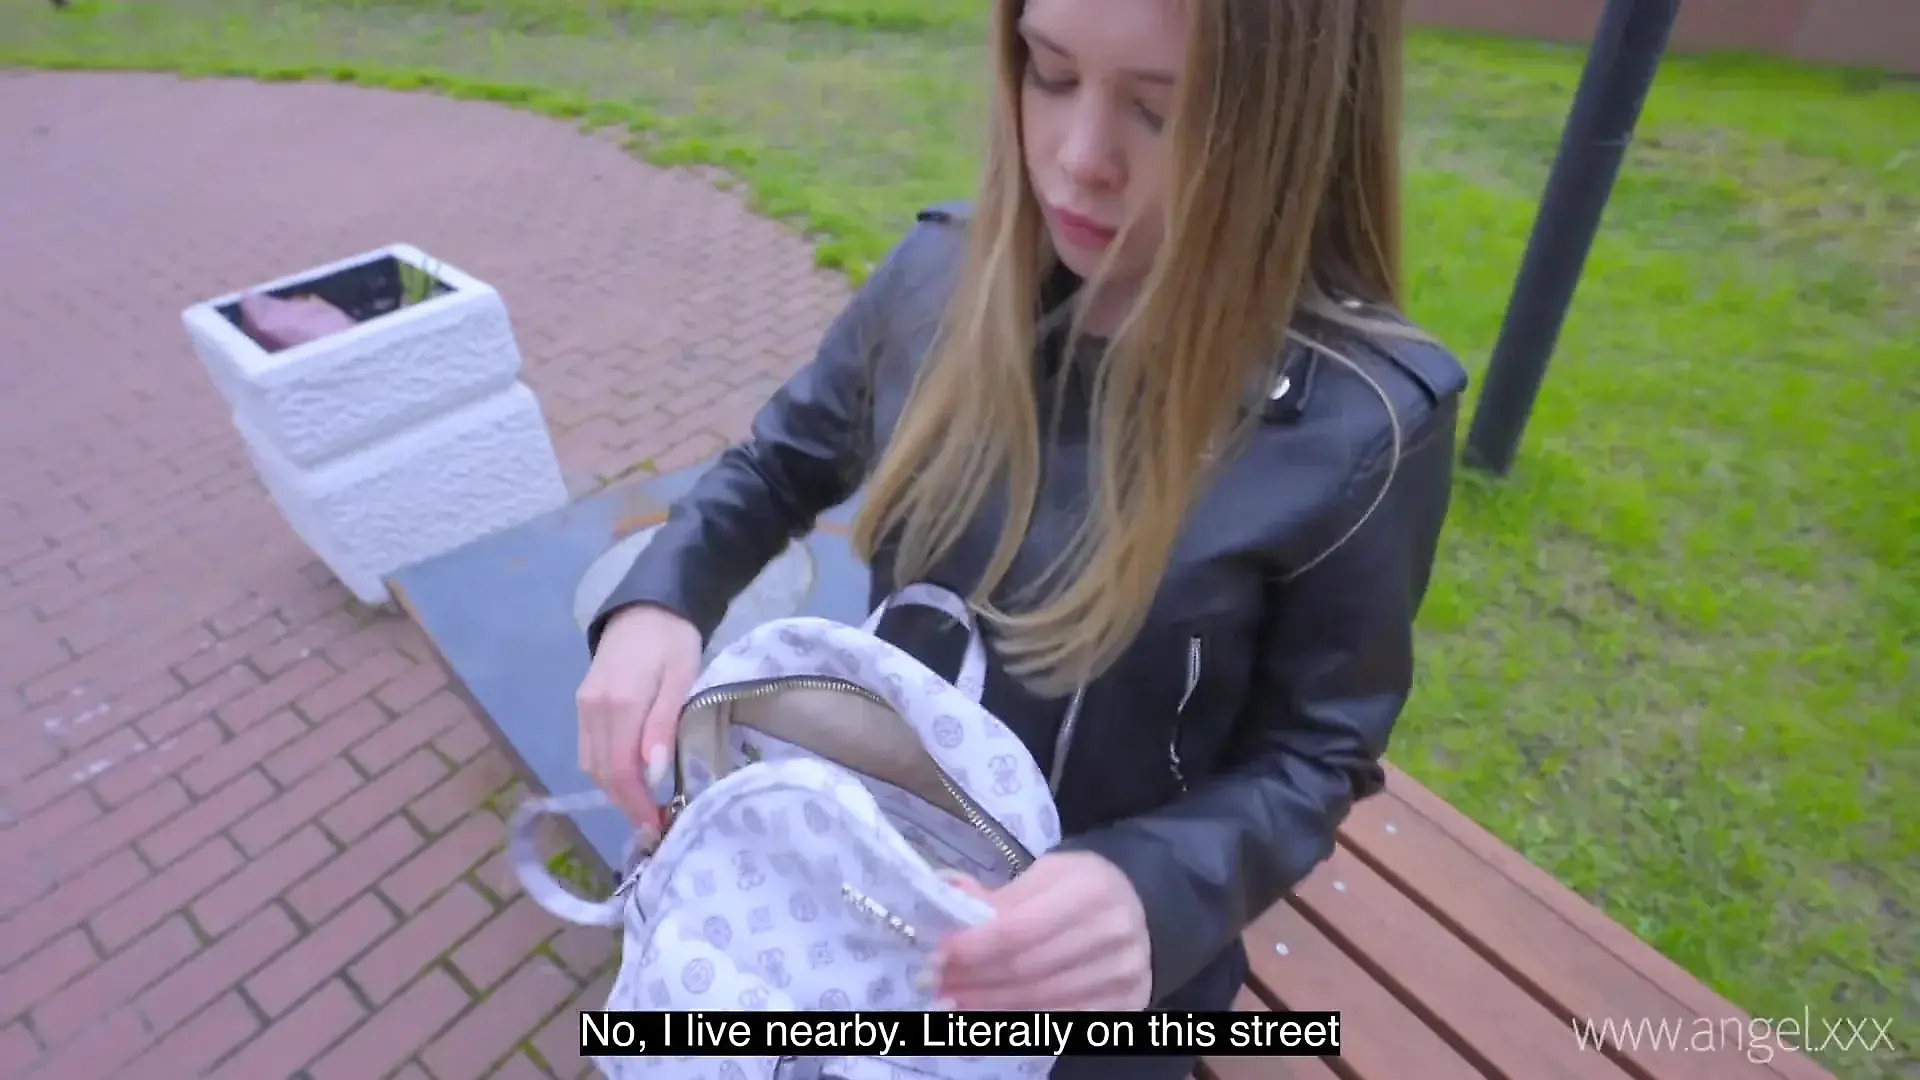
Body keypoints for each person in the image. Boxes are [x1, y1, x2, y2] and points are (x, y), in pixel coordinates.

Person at [578, 0, 1467, 1074]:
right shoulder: (934, 282)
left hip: (1098, 998)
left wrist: (1152, 889)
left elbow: (1317, 753)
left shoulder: (1359, 427)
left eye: (1160, 109)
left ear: (1291, 119)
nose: (1079, 160)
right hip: (868, 884)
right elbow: (777, 466)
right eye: (1048, 73)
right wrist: (661, 598)